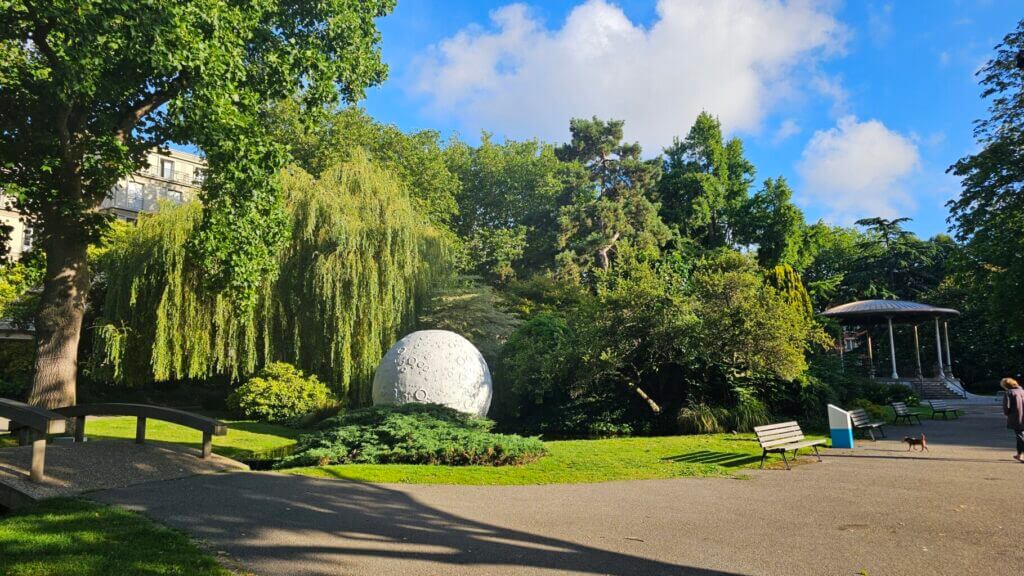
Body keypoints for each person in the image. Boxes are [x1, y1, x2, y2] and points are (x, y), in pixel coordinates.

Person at [1001, 377, 1024, 462]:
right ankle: (1019, 454)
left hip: (1016, 417)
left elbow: (1006, 406)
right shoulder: (1022, 391)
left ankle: (1020, 455)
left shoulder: (1009, 393)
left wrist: (1007, 413)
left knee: (1020, 436)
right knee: (1021, 435)